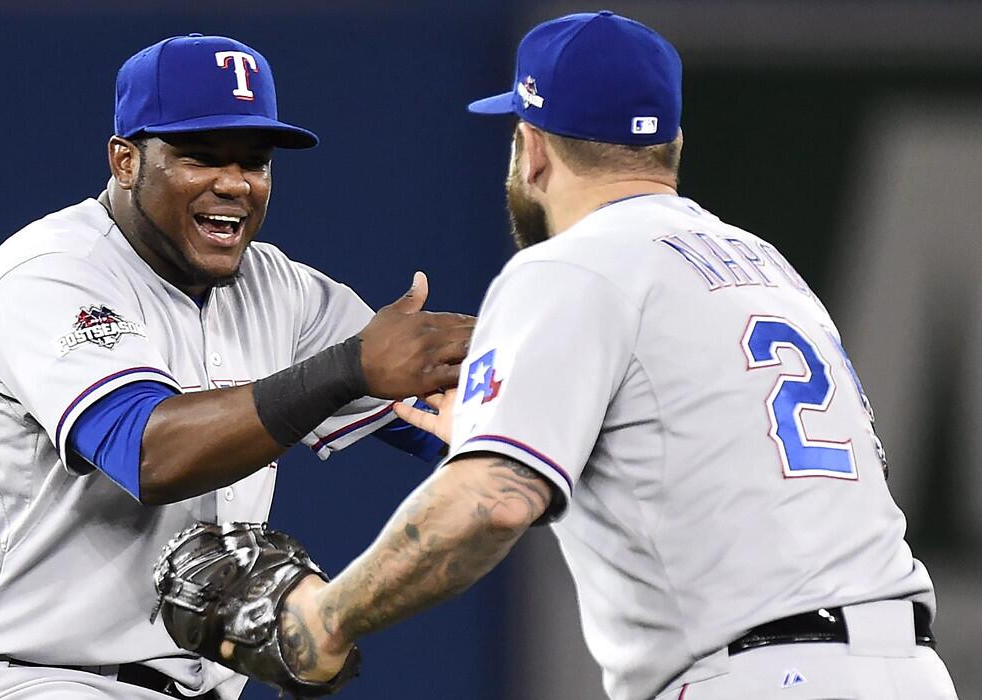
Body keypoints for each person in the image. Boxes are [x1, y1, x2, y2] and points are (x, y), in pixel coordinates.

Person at [270, 12, 959, 700]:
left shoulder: (571, 264)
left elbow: (493, 505)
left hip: (761, 675)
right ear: (670, 145)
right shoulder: (765, 267)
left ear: (531, 147)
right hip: (911, 671)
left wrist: (324, 620)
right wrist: (520, 429)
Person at [0, 34, 471, 700]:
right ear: (125, 160)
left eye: (254, 162)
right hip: (37, 679)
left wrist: (517, 420)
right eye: (200, 157)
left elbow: (440, 404)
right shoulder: (51, 274)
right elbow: (151, 453)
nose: (234, 183)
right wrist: (348, 368)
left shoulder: (280, 287)